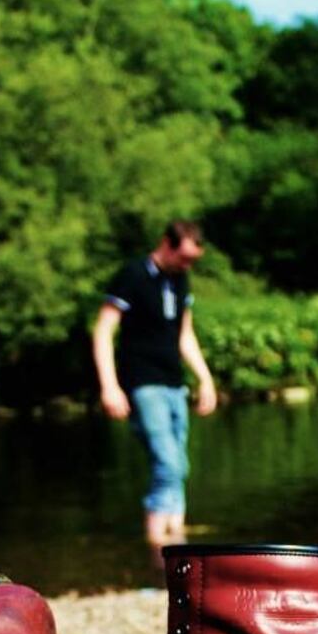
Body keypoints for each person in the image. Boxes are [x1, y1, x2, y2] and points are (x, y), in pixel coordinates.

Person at [92, 221, 217, 546]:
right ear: (166, 243)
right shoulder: (133, 275)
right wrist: (110, 386)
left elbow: (184, 335)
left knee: (180, 466)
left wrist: (205, 378)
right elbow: (104, 330)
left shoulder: (180, 279)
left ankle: (176, 540)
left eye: (193, 260)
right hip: (143, 384)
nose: (187, 265)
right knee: (168, 463)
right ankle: (157, 545)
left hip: (174, 383)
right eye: (184, 257)